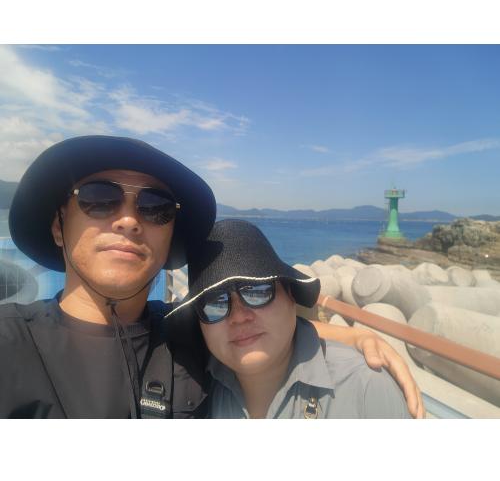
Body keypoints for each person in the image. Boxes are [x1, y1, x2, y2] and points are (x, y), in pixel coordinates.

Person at [0, 135, 422, 418]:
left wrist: (356, 338)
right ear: (59, 226)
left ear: (170, 236)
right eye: (99, 198)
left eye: (155, 207)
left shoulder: (184, 338)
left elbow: (263, 331)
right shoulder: (11, 345)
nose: (128, 219)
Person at [168, 219, 413, 418]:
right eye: (215, 303)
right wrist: (353, 334)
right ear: (200, 323)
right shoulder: (192, 382)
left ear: (291, 296)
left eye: (257, 292)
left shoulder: (364, 389)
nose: (239, 317)